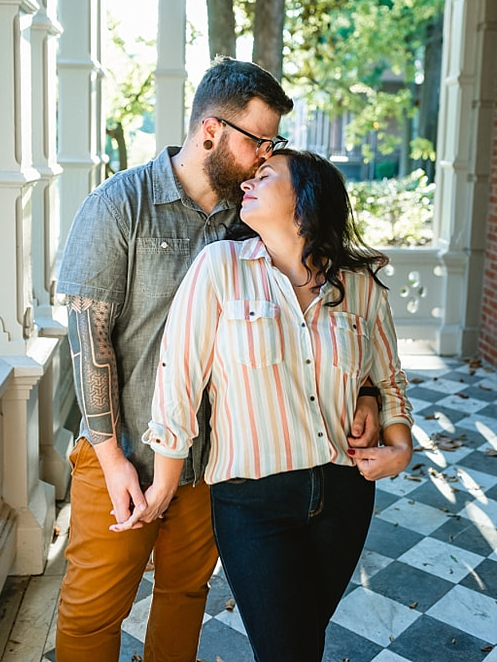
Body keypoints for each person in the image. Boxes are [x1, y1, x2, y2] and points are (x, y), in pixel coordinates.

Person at [54, 56, 382, 662]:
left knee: (184, 596)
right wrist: (113, 458)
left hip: (218, 466)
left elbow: (312, 312)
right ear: (211, 132)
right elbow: (88, 340)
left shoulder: (257, 216)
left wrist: (364, 390)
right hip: (123, 452)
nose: (266, 157)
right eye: (259, 141)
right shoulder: (119, 206)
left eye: (273, 144)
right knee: (94, 608)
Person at [142, 149, 413, 661]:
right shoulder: (220, 268)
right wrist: (163, 482)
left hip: (344, 493)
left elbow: (388, 375)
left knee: (302, 642)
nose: (249, 182)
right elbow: (178, 378)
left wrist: (400, 447)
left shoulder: (359, 284)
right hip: (252, 502)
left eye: (266, 176)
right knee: (288, 649)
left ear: (306, 201)